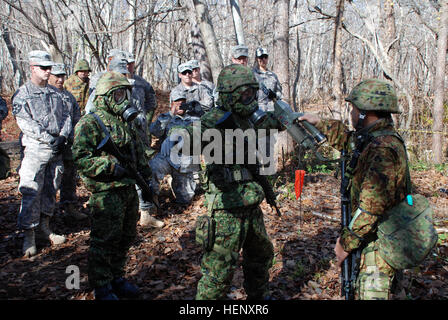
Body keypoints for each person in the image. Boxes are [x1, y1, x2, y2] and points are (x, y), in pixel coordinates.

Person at [180, 64, 287, 300]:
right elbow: (184, 142)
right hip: (226, 207)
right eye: (244, 93)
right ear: (229, 94)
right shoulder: (214, 120)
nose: (249, 98)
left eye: (252, 92)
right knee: (219, 272)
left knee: (260, 258)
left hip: (251, 202)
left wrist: (290, 117)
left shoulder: (250, 118)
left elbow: (276, 121)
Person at [299, 79, 408, 300]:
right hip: (375, 238)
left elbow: (370, 209)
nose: (351, 113)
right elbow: (346, 141)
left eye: (353, 109)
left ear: (365, 113)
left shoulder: (383, 149)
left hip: (381, 246)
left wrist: (345, 244)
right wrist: (318, 121)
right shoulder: (372, 139)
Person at [72, 71, 151, 300]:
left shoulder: (125, 121)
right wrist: (108, 165)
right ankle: (102, 285)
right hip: (106, 192)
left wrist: (147, 178)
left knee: (127, 236)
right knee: (105, 239)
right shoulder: (90, 122)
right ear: (106, 96)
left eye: (124, 94)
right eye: (117, 95)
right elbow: (81, 158)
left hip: (128, 188)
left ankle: (116, 276)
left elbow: (138, 152)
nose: (122, 100)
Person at [12, 50, 71, 257]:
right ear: (32, 68)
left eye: (50, 68)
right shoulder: (22, 94)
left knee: (51, 188)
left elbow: (67, 117)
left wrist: (62, 137)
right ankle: (29, 234)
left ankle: (44, 228)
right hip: (36, 148)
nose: (48, 72)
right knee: (31, 190)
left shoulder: (56, 94)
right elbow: (25, 122)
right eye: (44, 68)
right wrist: (49, 139)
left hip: (56, 149)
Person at [121, 51, 163, 228]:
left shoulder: (141, 83)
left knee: (142, 170)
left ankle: (145, 212)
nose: (128, 67)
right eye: (125, 64)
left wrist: (145, 119)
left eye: (131, 63)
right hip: (120, 137)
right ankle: (127, 212)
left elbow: (152, 102)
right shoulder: (107, 84)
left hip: (140, 135)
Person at [149, 90, 202, 205]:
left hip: (185, 161)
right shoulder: (165, 118)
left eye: (182, 102)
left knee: (185, 200)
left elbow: (199, 140)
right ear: (171, 103)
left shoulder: (194, 119)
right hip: (166, 158)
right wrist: (170, 115)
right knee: (152, 168)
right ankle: (152, 201)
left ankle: (177, 183)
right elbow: (154, 132)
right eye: (177, 102)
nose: (180, 104)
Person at [48, 63, 86, 221]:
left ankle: (69, 207)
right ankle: (48, 215)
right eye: (56, 76)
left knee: (69, 176)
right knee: (50, 180)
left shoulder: (69, 97)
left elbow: (77, 119)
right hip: (51, 143)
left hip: (69, 143)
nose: (60, 79)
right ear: (50, 76)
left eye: (62, 76)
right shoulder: (46, 95)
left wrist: (77, 138)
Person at [252, 47, 282, 112]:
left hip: (272, 110)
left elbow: (280, 94)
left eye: (265, 57)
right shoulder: (252, 75)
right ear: (257, 59)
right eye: (261, 57)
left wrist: (275, 95)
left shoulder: (273, 76)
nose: (263, 59)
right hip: (258, 111)